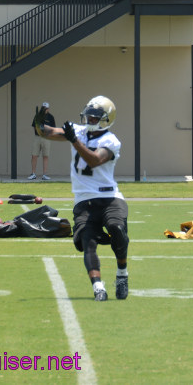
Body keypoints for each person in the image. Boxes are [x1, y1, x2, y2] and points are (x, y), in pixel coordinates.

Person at [37, 95, 128, 302]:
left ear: (106, 119)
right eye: (88, 116)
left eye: (95, 117)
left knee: (117, 228)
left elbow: (94, 160)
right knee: (87, 241)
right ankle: (98, 287)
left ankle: (122, 273)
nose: (90, 120)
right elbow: (47, 133)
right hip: (83, 199)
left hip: (109, 197)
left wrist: (74, 141)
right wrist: (40, 123)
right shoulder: (78, 130)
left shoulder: (111, 140)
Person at [28, 101, 55, 181]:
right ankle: (33, 174)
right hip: (37, 137)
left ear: (48, 109)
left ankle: (44, 174)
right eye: (43, 108)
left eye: (46, 108)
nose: (45, 110)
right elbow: (34, 126)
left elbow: (53, 128)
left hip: (46, 138)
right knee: (34, 155)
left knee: (45, 156)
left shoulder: (50, 117)